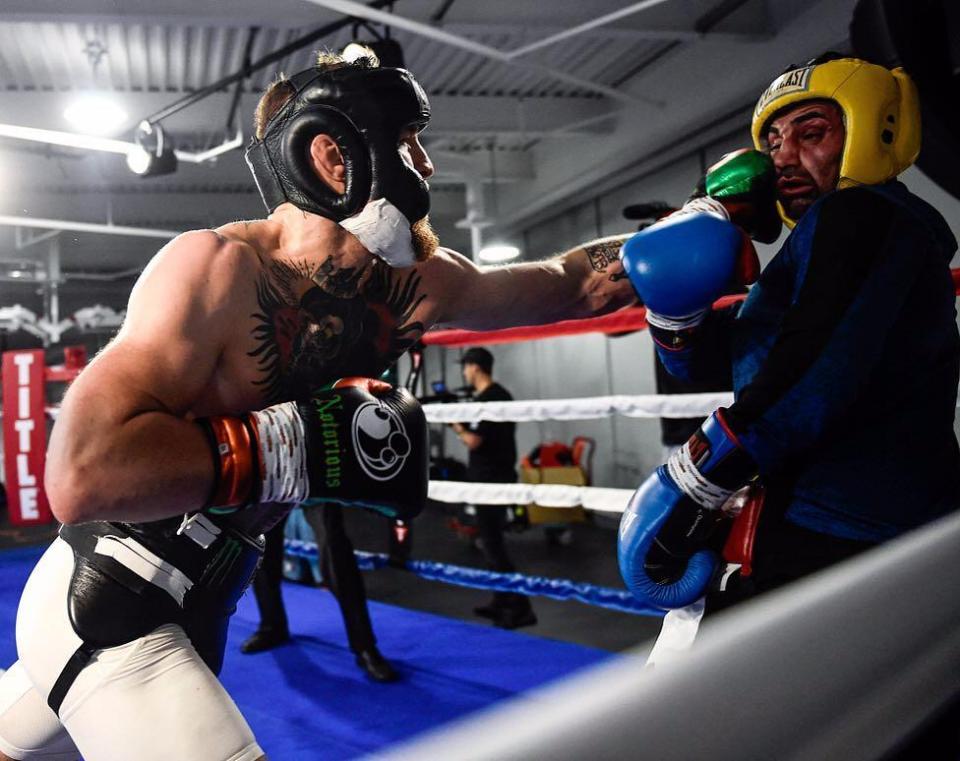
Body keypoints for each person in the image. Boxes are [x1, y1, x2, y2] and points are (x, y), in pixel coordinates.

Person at [0, 49, 636, 761]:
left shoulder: (417, 283)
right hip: (113, 591)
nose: (425, 165)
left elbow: (563, 284)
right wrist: (290, 446)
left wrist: (663, 245)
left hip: (207, 594)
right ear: (334, 156)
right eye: (406, 142)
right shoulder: (215, 270)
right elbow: (81, 474)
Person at [617, 55, 959, 617]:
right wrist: (678, 305)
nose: (783, 158)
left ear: (877, 129)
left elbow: (808, 374)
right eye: (773, 142)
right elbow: (713, 363)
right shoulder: (820, 248)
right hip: (826, 514)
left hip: (851, 527)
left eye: (812, 133)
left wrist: (692, 481)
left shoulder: (863, 214)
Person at [240, 504, 399, 683]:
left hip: (314, 480)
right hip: (273, 481)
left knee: (335, 552)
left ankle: (365, 646)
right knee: (262, 549)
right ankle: (272, 627)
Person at [450, 347, 535, 630]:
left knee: (493, 544)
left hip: (493, 482)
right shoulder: (486, 398)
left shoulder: (494, 398)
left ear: (475, 367)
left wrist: (455, 425)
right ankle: (501, 600)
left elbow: (475, 441)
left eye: (466, 367)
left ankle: (521, 606)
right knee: (489, 542)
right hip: (486, 479)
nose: (464, 372)